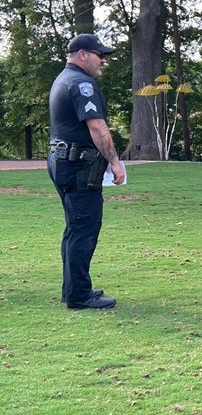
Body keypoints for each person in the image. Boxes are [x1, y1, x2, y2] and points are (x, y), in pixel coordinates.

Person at [47, 33, 124, 310]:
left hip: (62, 160)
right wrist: (114, 162)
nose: (103, 60)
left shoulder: (62, 79)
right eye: (99, 54)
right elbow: (97, 127)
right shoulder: (82, 84)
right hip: (78, 165)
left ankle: (74, 287)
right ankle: (79, 295)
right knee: (84, 229)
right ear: (82, 54)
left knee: (74, 228)